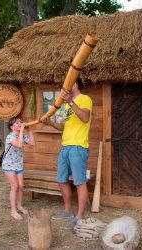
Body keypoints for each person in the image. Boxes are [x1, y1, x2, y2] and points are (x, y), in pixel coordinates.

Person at [42, 77, 93, 230]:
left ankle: (80, 216)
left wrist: (70, 101)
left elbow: (84, 118)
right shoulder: (66, 106)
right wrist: (50, 123)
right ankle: (68, 210)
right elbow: (64, 127)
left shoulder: (85, 99)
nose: (65, 87)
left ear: (75, 84)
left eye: (68, 84)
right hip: (65, 147)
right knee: (61, 180)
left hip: (78, 147)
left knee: (79, 182)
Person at [2, 117, 35, 220]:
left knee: (21, 186)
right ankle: (13, 211)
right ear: (12, 127)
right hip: (8, 165)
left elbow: (33, 144)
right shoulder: (10, 137)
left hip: (18, 165)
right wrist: (21, 131)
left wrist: (29, 131)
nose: (20, 123)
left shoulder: (22, 135)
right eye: (17, 123)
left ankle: (19, 206)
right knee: (15, 186)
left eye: (20, 122)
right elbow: (19, 144)